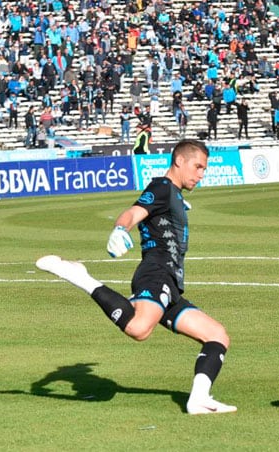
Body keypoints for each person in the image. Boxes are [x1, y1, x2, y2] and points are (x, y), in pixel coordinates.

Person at [36, 140, 236, 414]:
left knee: (217, 335)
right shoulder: (162, 188)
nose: (201, 173)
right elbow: (134, 212)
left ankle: (199, 399)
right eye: (198, 166)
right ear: (179, 161)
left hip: (171, 284)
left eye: (204, 168)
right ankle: (80, 276)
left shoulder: (174, 194)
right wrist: (120, 229)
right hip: (156, 274)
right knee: (139, 328)